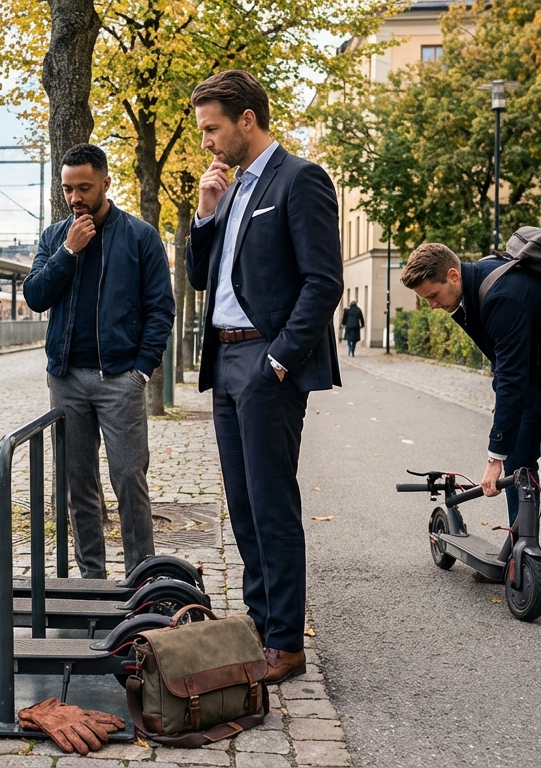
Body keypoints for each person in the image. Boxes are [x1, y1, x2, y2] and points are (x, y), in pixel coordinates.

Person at [186, 70, 343, 684]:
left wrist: (279, 360)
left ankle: (286, 641)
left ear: (246, 120)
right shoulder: (230, 189)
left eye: (212, 128)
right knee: (243, 503)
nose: (206, 141)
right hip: (223, 360)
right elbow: (202, 277)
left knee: (272, 502)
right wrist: (205, 213)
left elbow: (322, 282)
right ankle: (259, 620)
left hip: (264, 360)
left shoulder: (300, 179)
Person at [401, 243, 541, 601]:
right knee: (519, 461)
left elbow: (510, 376)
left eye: (432, 295)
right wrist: (504, 445)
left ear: (453, 275)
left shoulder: (500, 296)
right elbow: (505, 364)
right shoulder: (470, 296)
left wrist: (493, 457)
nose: (431, 305)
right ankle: (520, 557)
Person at [23, 143, 174, 579]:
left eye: (84, 187)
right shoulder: (55, 237)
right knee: (78, 484)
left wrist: (141, 370)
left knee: (129, 478)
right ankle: (92, 579)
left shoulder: (140, 235)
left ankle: (141, 576)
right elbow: (35, 296)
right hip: (66, 378)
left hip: (119, 379)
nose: (75, 197)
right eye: (68, 188)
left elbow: (161, 308)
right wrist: (67, 252)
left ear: (106, 183)